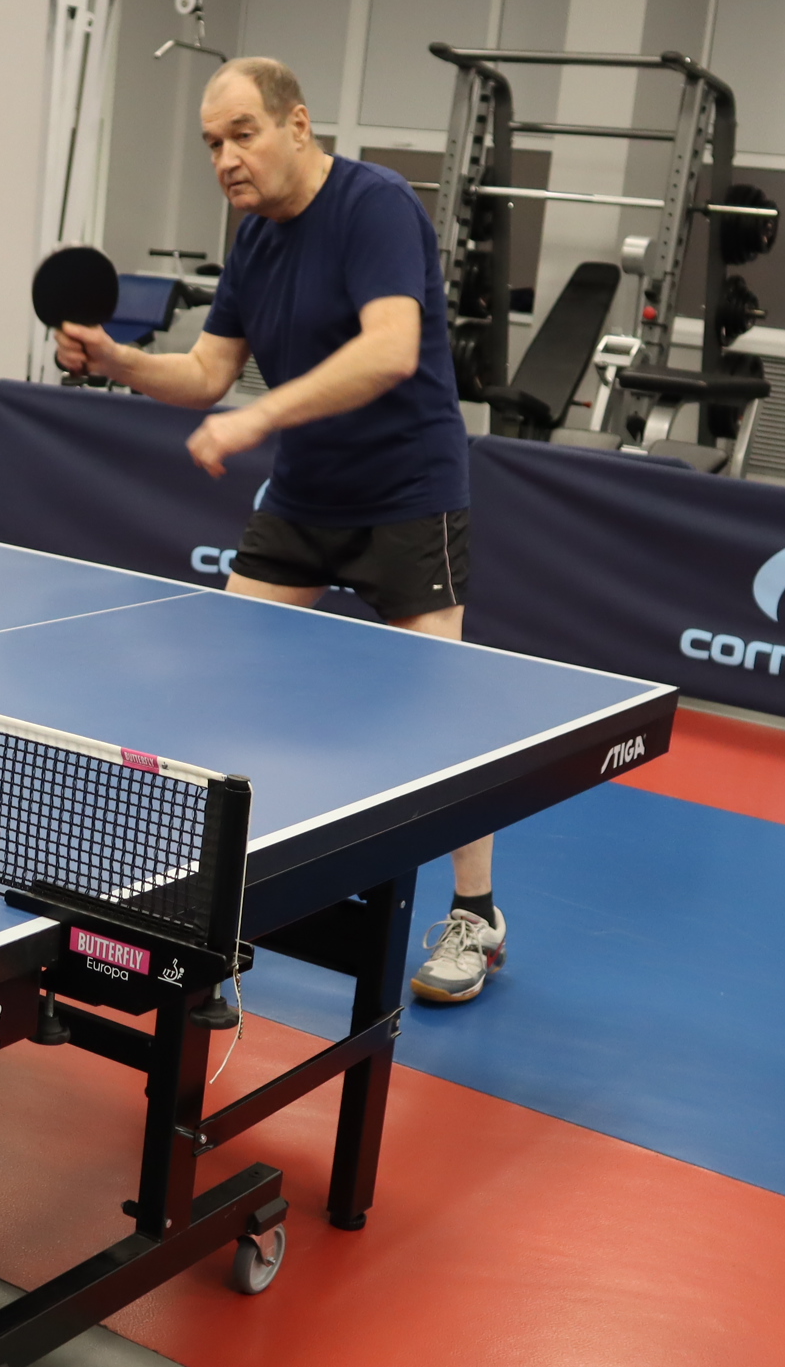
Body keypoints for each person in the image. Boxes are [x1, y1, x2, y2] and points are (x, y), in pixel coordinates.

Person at [53, 55, 503, 1005]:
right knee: (221, 691)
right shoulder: (254, 239)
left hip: (409, 493)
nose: (226, 158)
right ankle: (208, 925)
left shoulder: (377, 207)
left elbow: (391, 350)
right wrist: (116, 359)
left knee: (447, 719)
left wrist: (259, 419)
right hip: (304, 497)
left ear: (298, 125)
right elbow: (207, 374)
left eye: (242, 134)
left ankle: (476, 913)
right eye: (212, 143)